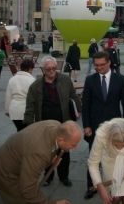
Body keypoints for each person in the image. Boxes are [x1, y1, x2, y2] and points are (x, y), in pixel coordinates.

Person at [0, 120, 82, 204]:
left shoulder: (56, 125)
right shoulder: (39, 154)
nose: (76, 147)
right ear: (61, 140)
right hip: (3, 173)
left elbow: (51, 145)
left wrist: (52, 158)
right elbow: (28, 191)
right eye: (73, 144)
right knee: (22, 200)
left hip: (10, 160)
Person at [24, 56, 82, 187]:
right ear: (43, 69)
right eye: (48, 69)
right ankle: (48, 176)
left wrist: (78, 111)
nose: (51, 71)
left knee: (64, 151)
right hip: (45, 125)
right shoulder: (36, 85)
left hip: (63, 123)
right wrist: (28, 124)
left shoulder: (65, 80)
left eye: (54, 68)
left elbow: (73, 96)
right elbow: (30, 106)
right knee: (47, 151)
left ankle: (64, 176)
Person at [82, 51, 124, 199]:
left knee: (115, 159)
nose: (99, 68)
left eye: (102, 65)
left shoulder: (121, 80)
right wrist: (86, 125)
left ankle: (114, 186)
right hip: (95, 126)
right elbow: (85, 105)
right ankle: (91, 187)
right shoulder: (90, 80)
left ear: (109, 62)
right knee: (94, 158)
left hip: (115, 128)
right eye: (96, 65)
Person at [5, 59, 35, 132]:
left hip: (14, 109)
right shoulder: (32, 80)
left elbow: (8, 96)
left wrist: (7, 110)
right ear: (30, 69)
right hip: (26, 110)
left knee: (19, 129)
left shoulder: (12, 79)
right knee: (27, 132)